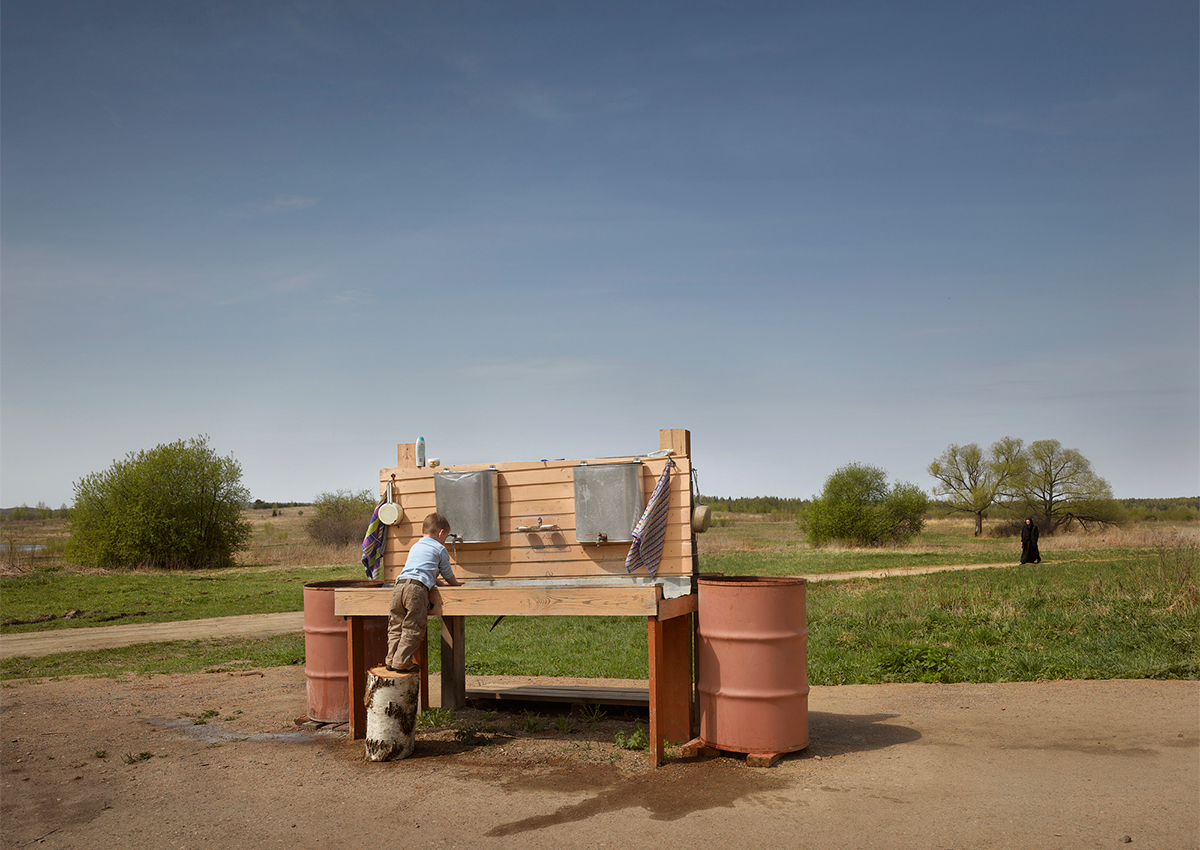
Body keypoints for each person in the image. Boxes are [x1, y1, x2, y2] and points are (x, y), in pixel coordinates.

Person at [385, 512, 462, 674]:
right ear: (441, 533)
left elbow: (425, 570)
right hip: (416, 590)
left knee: (396, 625)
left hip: (399, 586)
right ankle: (402, 662)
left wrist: (439, 583)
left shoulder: (416, 546)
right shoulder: (439, 548)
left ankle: (391, 659)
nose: (444, 540)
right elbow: (447, 573)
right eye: (445, 537)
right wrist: (455, 584)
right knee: (413, 626)